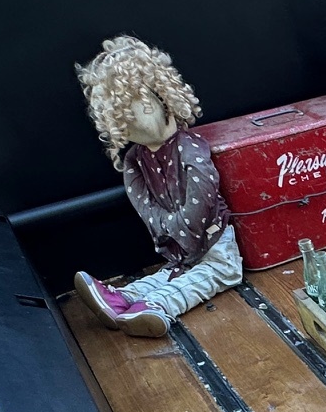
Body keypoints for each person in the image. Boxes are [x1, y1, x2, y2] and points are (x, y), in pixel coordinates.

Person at [70, 35, 242, 336]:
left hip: (214, 241)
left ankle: (158, 306)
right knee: (177, 271)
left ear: (160, 99)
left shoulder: (189, 148)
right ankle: (123, 298)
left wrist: (178, 233)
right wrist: (169, 231)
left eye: (140, 106)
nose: (143, 113)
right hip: (177, 246)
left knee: (212, 272)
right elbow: (144, 205)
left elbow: (201, 196)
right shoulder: (136, 161)